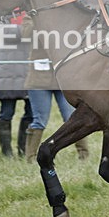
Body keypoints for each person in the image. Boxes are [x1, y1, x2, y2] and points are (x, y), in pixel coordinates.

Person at [22, 15, 88, 163]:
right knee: (39, 120)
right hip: (38, 80)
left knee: (72, 118)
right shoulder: (31, 16)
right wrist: (41, 20)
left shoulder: (64, 14)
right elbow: (26, 34)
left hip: (63, 79)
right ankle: (31, 159)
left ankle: (84, 156)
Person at [0, 8, 32, 158]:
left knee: (31, 112)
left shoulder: (31, 10)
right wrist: (26, 30)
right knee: (7, 112)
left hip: (29, 69)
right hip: (7, 71)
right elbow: (1, 30)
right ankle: (6, 152)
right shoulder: (1, 11)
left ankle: (23, 150)